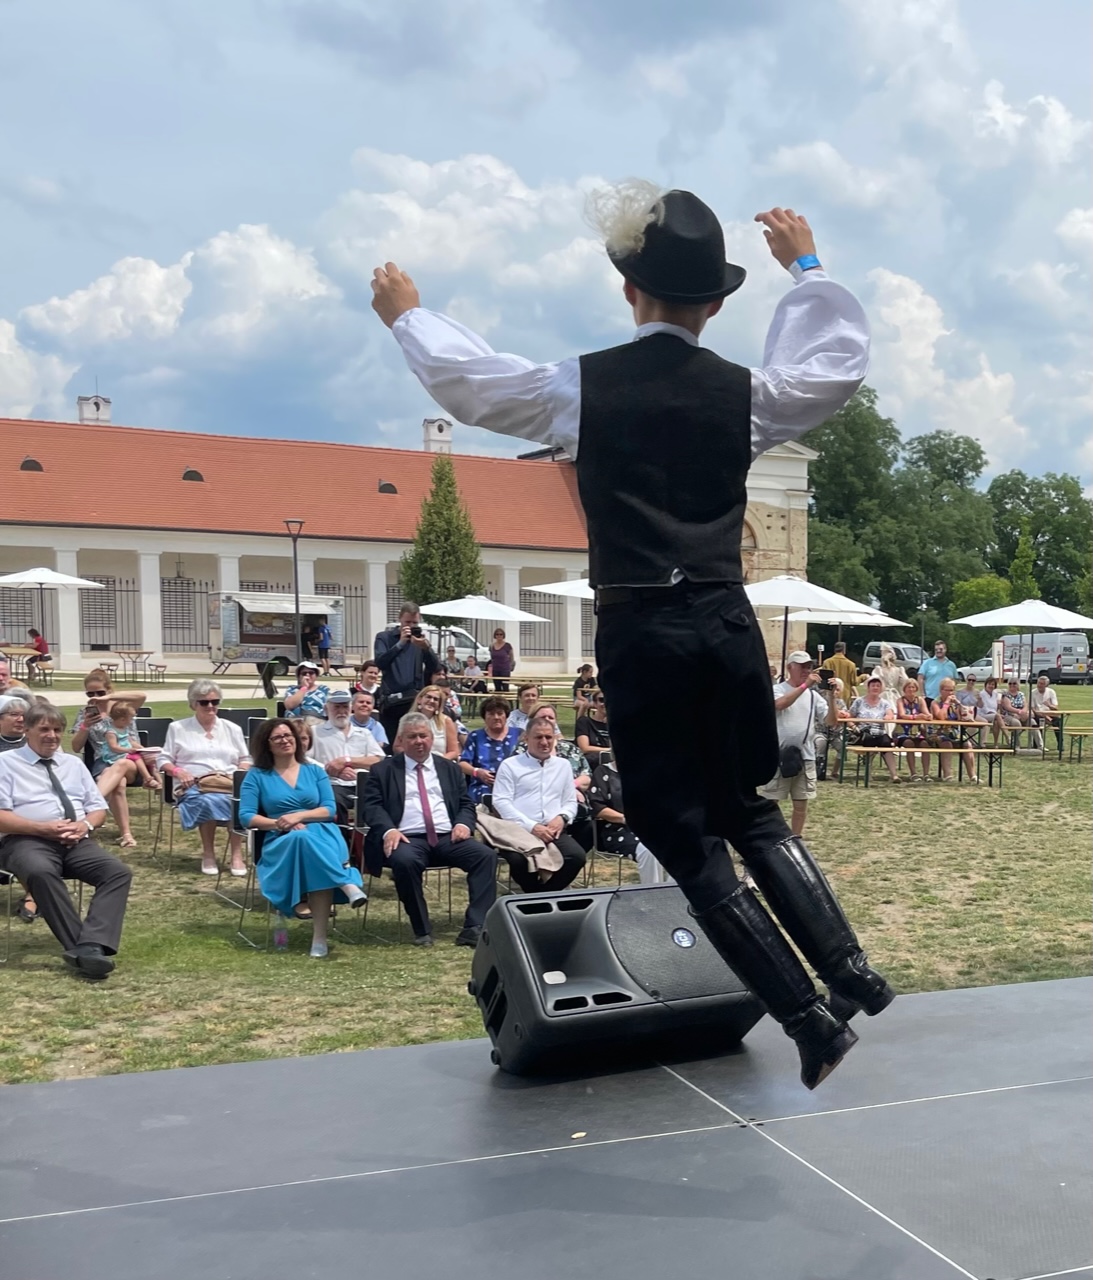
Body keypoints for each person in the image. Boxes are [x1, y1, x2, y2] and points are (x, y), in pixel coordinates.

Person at [372, 188, 886, 1087]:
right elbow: (832, 366)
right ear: (715, 304)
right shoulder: (746, 395)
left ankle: (810, 1019)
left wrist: (408, 316)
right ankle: (850, 973)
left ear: (626, 290)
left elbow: (472, 383)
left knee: (677, 831)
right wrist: (805, 268)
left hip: (643, 624)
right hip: (724, 619)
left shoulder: (581, 386)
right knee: (745, 809)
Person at [0, 701, 132, 978]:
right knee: (40, 871)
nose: (52, 736)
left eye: (57, 730)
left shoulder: (73, 764)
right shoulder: (5, 763)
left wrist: (84, 825)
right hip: (25, 840)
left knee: (117, 872)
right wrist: (41, 828)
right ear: (27, 729)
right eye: (44, 729)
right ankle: (85, 950)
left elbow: (98, 809)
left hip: (75, 840)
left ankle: (91, 943)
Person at [361, 712, 497, 947]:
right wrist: (389, 830)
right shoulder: (383, 770)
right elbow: (371, 807)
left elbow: (465, 804)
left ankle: (475, 926)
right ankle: (421, 929)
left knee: (485, 856)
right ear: (401, 740)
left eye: (423, 736)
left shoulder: (449, 768)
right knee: (404, 861)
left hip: (447, 837)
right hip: (406, 838)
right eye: (412, 737)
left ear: (432, 738)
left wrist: (463, 824)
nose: (419, 741)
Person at [240, 719, 367, 958]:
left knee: (308, 842)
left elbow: (329, 809)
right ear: (266, 744)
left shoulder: (314, 770)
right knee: (301, 839)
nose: (285, 740)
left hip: (322, 832)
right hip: (281, 837)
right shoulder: (257, 775)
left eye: (288, 735)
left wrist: (299, 816)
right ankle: (346, 883)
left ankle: (320, 938)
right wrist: (281, 823)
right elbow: (246, 816)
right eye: (277, 737)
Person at [157, 679, 251, 875]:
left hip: (228, 782)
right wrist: (178, 771)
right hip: (194, 784)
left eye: (214, 702)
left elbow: (245, 758)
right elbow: (163, 759)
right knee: (208, 800)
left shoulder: (232, 728)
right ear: (193, 704)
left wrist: (240, 771)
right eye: (204, 702)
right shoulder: (178, 728)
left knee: (240, 801)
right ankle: (208, 853)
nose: (210, 706)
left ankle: (236, 854)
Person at [492, 719, 587, 892]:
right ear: (526, 738)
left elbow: (570, 801)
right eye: (538, 737)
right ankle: (537, 896)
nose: (544, 742)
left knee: (576, 857)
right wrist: (532, 826)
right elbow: (501, 801)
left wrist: (563, 817)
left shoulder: (563, 766)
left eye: (548, 737)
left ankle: (541, 896)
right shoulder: (510, 765)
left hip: (552, 829)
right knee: (519, 862)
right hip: (518, 831)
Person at [70, 668, 147, 848]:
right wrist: (85, 726)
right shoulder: (85, 714)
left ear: (109, 690)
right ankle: (126, 834)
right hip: (103, 763)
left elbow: (141, 696)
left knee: (121, 763)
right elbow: (75, 747)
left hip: (130, 759)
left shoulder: (122, 708)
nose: (95, 697)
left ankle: (89, 803)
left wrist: (108, 699)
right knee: (118, 784)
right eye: (90, 694)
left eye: (100, 692)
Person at [764, 652, 840, 834]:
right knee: (770, 803)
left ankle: (796, 838)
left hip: (805, 756)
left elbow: (831, 721)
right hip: (779, 755)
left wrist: (832, 697)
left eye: (809, 666)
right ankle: (769, 838)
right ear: (790, 667)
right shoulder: (778, 689)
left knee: (800, 805)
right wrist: (805, 686)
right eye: (802, 666)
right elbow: (780, 704)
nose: (806, 670)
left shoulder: (813, 696)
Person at [588, 757, 672, 885]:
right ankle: (652, 893)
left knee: (682, 846)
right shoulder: (603, 772)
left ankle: (673, 891)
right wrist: (627, 819)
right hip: (618, 830)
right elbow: (598, 808)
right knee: (650, 851)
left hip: (651, 827)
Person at [309, 690, 384, 822]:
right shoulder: (315, 732)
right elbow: (305, 760)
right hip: (332, 783)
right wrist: (332, 769)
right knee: (334, 801)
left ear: (351, 708)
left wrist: (347, 761)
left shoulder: (364, 733)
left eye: (345, 706)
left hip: (362, 784)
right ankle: (341, 834)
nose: (341, 711)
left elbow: (377, 759)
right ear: (326, 709)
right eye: (336, 707)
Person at [374, 602, 440, 742]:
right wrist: (400, 644)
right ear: (400, 619)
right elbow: (380, 663)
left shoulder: (419, 642)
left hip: (413, 702)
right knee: (391, 743)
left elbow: (435, 667)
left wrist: (426, 648)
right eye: (407, 622)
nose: (410, 626)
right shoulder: (384, 637)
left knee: (413, 741)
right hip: (392, 701)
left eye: (414, 623)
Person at [460, 696, 521, 803]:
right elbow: (462, 764)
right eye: (491, 714)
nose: (496, 717)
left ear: (506, 715)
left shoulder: (520, 735)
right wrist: (477, 772)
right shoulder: (475, 737)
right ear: (484, 717)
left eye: (500, 713)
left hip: (516, 787)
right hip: (483, 788)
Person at [848, 677, 901, 784]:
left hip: (880, 732)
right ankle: (868, 774)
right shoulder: (859, 701)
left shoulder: (885, 703)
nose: (875, 688)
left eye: (878, 686)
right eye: (873, 685)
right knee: (870, 742)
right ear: (868, 687)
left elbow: (890, 714)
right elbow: (849, 717)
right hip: (864, 732)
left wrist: (888, 716)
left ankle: (894, 775)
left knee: (886, 743)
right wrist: (853, 727)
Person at [930, 678, 979, 783]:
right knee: (947, 744)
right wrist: (946, 703)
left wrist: (959, 705)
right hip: (937, 733)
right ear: (941, 691)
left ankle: (972, 775)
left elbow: (963, 716)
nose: (950, 693)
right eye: (947, 690)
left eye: (952, 690)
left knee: (967, 744)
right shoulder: (935, 702)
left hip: (954, 732)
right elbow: (941, 717)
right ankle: (947, 775)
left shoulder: (954, 703)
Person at [893, 678, 934, 782]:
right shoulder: (900, 700)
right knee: (909, 744)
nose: (911, 689)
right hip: (902, 732)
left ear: (916, 689)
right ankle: (913, 773)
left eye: (913, 687)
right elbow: (902, 715)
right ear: (904, 689)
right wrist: (916, 717)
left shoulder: (920, 700)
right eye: (909, 687)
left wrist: (928, 716)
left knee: (925, 744)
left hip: (917, 732)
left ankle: (926, 774)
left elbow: (926, 713)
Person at [411, 684, 460, 759]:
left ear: (439, 705)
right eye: (428, 697)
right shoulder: (408, 720)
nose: (431, 701)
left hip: (440, 762)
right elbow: (398, 746)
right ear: (419, 699)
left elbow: (454, 752)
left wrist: (436, 763)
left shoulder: (446, 721)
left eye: (436, 699)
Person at [574, 690, 612, 759]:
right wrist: (609, 750)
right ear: (594, 704)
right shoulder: (584, 722)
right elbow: (584, 748)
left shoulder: (617, 725)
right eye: (602, 700)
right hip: (592, 761)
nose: (605, 703)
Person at [1030, 675, 1062, 754]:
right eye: (1038, 683)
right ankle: (1037, 745)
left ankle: (1060, 745)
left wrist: (1049, 705)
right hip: (1038, 714)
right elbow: (1033, 708)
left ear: (1046, 685)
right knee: (1037, 721)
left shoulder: (1051, 692)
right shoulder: (1033, 692)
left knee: (1058, 721)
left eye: (1042, 684)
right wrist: (1044, 716)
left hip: (1049, 713)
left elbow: (1055, 708)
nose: (1039, 685)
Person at [871, 644, 906, 708]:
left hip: (882, 696)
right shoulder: (899, 670)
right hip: (895, 695)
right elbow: (905, 682)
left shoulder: (879, 670)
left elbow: (873, 683)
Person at [979, 676, 1003, 744]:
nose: (991, 686)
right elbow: (984, 708)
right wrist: (996, 714)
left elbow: (995, 707)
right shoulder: (982, 694)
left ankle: (996, 744)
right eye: (989, 684)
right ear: (986, 685)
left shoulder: (995, 694)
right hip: (982, 714)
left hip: (993, 715)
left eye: (993, 684)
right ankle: (1007, 736)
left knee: (996, 722)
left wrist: (999, 706)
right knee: (997, 716)